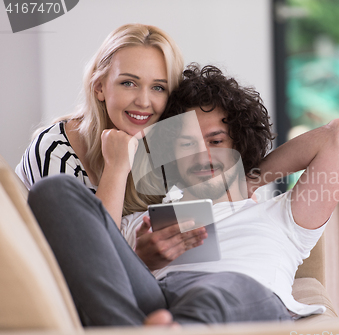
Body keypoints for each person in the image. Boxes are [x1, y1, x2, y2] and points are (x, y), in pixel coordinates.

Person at [27, 65, 339, 326]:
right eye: (186, 144)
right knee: (53, 191)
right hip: (157, 301)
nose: (201, 156)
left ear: (239, 145)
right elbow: (97, 259)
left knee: (217, 291)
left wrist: (249, 180)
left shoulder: (284, 217)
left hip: (238, 299)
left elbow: (337, 136)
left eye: (215, 141)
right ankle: (146, 334)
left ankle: (168, 333)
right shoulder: (142, 221)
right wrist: (142, 260)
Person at [15, 23, 207, 266]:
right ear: (100, 88)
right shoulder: (56, 149)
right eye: (129, 83)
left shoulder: (162, 146)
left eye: (158, 87)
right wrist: (116, 168)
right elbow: (89, 263)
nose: (144, 101)